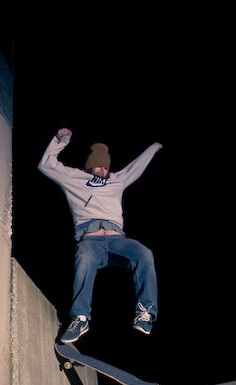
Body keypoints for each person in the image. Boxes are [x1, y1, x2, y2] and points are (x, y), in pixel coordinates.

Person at [38, 128, 162, 343]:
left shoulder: (118, 179)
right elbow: (46, 165)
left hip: (118, 241)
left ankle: (145, 313)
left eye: (106, 167)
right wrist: (59, 141)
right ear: (89, 165)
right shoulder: (73, 178)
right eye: (99, 166)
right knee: (84, 256)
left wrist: (154, 147)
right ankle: (80, 318)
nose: (104, 170)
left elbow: (136, 166)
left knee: (144, 254)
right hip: (91, 240)